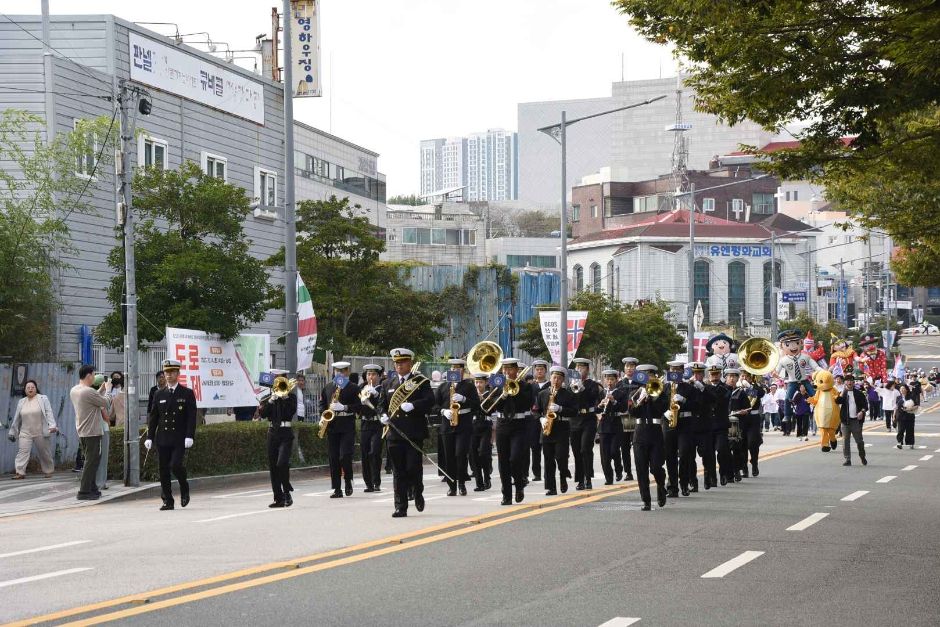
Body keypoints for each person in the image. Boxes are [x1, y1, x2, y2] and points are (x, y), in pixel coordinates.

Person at [381, 348, 434, 518]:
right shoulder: (387, 384)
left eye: (402, 362)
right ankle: (400, 507)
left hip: (413, 433)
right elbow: (380, 405)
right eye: (396, 363)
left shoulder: (421, 382)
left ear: (410, 363)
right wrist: (381, 415)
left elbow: (430, 401)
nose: (399, 366)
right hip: (394, 434)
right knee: (398, 471)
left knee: (413, 468)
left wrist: (414, 405)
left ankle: (418, 492)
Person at [145, 359, 197, 510]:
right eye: (166, 372)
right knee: (163, 469)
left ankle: (184, 487)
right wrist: (149, 437)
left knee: (175, 465)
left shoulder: (186, 393)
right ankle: (168, 500)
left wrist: (190, 435)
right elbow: (154, 417)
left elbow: (191, 417)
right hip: (163, 438)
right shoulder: (158, 393)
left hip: (179, 438)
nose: (168, 375)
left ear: (178, 374)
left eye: (172, 372)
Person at [491, 358, 535, 505]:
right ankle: (506, 494)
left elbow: (528, 403)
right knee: (503, 461)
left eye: (510, 369)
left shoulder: (524, 386)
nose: (507, 372)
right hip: (502, 424)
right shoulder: (497, 384)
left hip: (518, 424)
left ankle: (519, 485)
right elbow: (491, 406)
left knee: (515, 458)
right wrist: (502, 396)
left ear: (516, 370)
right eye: (504, 369)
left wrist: (514, 391)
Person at [437, 358, 480, 497]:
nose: (455, 371)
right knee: (449, 457)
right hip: (447, 424)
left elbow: (477, 405)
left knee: (460, 454)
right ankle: (452, 486)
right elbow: (433, 405)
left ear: (463, 370)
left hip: (464, 424)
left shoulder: (469, 386)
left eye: (458, 368)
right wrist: (444, 411)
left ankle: (461, 483)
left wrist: (464, 399)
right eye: (453, 368)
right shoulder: (443, 387)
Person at [629, 364, 669, 510]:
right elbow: (632, 412)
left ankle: (660, 485)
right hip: (640, 433)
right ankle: (646, 500)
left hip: (655, 432)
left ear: (654, 376)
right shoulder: (635, 392)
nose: (648, 378)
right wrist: (640, 400)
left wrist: (654, 397)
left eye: (650, 375)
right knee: (641, 469)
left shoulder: (661, 392)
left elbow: (663, 409)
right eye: (645, 375)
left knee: (656, 467)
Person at [69, 365, 112, 500]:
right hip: (92, 431)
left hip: (83, 430)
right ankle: (84, 491)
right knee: (91, 461)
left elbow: (92, 398)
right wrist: (109, 390)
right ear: (88, 376)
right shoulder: (87, 391)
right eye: (93, 375)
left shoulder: (75, 390)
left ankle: (92, 488)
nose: (94, 377)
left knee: (91, 460)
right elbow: (106, 403)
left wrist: (101, 389)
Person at [320, 361, 362, 498]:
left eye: (342, 371)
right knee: (333, 458)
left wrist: (344, 407)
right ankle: (337, 489)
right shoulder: (328, 387)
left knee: (345, 455)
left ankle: (348, 480)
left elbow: (359, 406)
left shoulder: (354, 388)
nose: (339, 373)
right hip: (332, 425)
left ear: (347, 372)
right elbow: (322, 404)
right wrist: (323, 416)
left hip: (347, 424)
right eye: (337, 371)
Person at [537, 366, 578, 495]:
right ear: (550, 378)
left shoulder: (568, 394)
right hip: (547, 429)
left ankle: (563, 476)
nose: (556, 380)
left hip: (562, 429)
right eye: (554, 377)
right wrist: (541, 419)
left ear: (563, 380)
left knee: (561, 457)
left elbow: (574, 411)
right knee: (548, 460)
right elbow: (535, 411)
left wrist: (560, 409)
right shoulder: (542, 394)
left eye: (559, 378)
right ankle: (551, 487)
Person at [259, 375, 297, 507]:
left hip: (286, 433)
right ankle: (278, 498)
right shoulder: (268, 398)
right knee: (273, 467)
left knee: (282, 463)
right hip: (272, 434)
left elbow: (291, 411)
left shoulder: (291, 397)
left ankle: (287, 492)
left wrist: (285, 397)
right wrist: (271, 401)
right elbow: (262, 414)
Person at [9, 380, 58, 479]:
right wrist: (12, 432)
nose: (30, 389)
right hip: (25, 432)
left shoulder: (43, 399)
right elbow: (16, 418)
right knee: (22, 452)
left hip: (40, 431)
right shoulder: (21, 401)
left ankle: (48, 471)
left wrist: (52, 425)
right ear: (25, 390)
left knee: (45, 452)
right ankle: (20, 472)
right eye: (28, 387)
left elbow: (49, 412)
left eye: (32, 387)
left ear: (36, 389)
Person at [570, 358, 601, 491]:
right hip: (575, 419)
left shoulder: (592, 384)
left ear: (587, 370)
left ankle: (588, 478)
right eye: (577, 368)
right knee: (576, 451)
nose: (579, 370)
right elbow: (569, 401)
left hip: (588, 419)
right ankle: (580, 479)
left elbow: (593, 397)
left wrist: (583, 390)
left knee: (585, 449)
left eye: (582, 368)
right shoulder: (571, 385)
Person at [596, 369, 626, 485]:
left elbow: (623, 408)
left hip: (616, 424)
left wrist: (613, 401)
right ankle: (608, 478)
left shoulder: (621, 393)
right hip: (604, 425)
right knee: (605, 454)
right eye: (607, 379)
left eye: (612, 379)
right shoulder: (601, 393)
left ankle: (618, 468)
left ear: (616, 380)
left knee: (614, 451)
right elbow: (596, 409)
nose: (609, 382)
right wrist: (600, 404)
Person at [359, 364, 386, 492]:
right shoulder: (361, 388)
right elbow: (356, 406)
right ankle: (368, 483)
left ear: (379, 376)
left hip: (378, 424)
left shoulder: (382, 388)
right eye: (369, 374)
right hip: (365, 423)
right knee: (365, 454)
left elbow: (383, 404)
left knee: (374, 452)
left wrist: (376, 395)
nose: (371, 377)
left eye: (374, 374)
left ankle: (376, 482)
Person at [835, 373, 868, 466]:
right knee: (845, 441)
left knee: (859, 441)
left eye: (851, 381)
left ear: (853, 382)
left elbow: (865, 406)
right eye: (847, 381)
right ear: (845, 382)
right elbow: (837, 401)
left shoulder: (859, 393)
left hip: (856, 421)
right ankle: (847, 459)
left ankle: (862, 456)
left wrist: (862, 412)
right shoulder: (843, 393)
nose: (849, 382)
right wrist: (843, 392)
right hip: (845, 421)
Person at [469, 372, 494, 492]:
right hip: (473, 426)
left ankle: (487, 478)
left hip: (485, 425)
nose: (478, 385)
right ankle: (479, 483)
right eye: (476, 382)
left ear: (486, 383)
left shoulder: (490, 394)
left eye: (481, 382)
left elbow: (491, 410)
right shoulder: (472, 395)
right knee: (474, 455)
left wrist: (483, 398)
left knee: (483, 453)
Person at [616, 357, 640, 481]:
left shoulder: (641, 382)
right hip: (624, 417)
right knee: (624, 446)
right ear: (624, 368)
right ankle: (628, 472)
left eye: (632, 366)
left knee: (637, 445)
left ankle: (640, 468)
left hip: (636, 418)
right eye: (627, 366)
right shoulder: (619, 384)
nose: (630, 369)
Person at [527, 359, 550, 482]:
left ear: (545, 371)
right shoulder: (531, 386)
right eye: (537, 369)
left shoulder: (550, 385)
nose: (539, 371)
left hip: (548, 418)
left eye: (541, 369)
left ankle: (548, 473)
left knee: (547, 448)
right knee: (535, 447)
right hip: (534, 420)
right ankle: (536, 473)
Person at [895, 383, 917, 449]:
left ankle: (910, 443)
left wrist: (911, 408)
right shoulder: (898, 397)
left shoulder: (911, 396)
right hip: (900, 416)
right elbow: (896, 407)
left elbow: (916, 405)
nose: (902, 390)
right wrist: (894, 416)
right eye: (901, 389)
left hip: (909, 415)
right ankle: (899, 442)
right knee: (900, 430)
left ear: (906, 389)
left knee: (910, 430)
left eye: (903, 388)